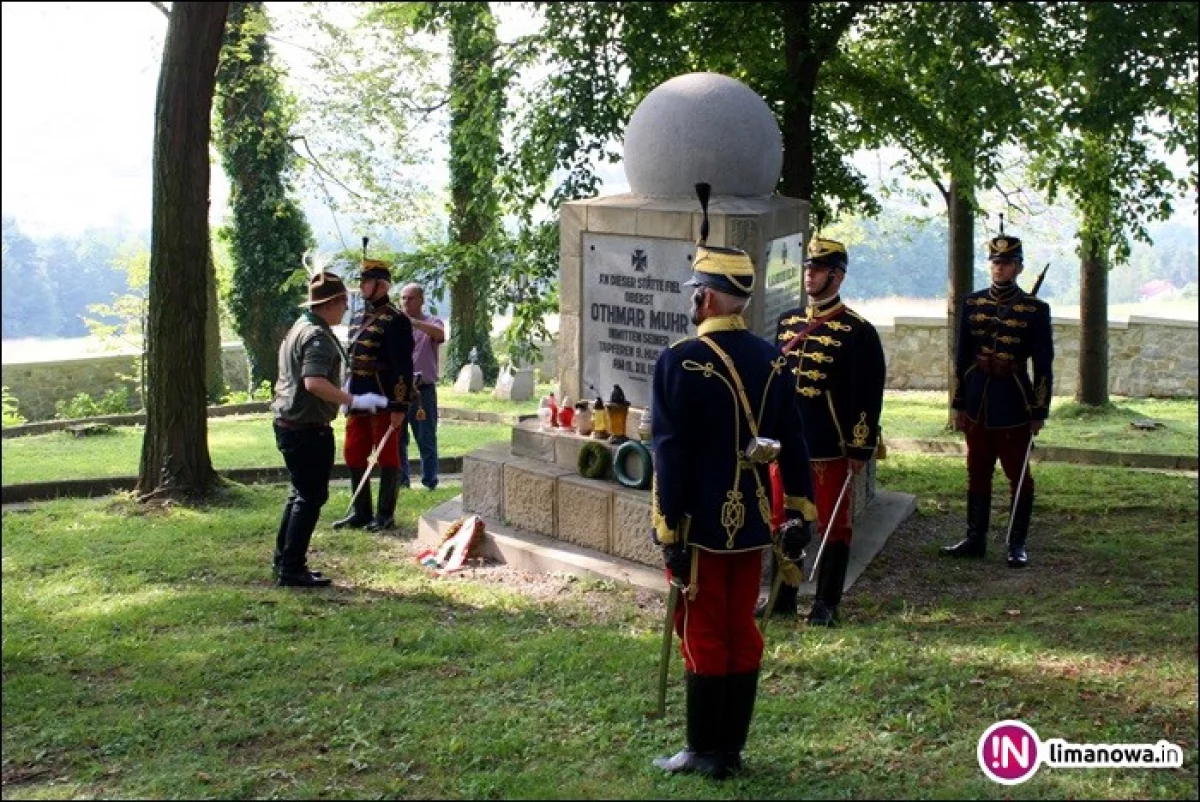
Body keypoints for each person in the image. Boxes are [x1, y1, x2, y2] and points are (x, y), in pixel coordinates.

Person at [650, 183, 817, 780]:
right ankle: (732, 750)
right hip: (750, 520)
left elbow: (668, 452)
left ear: (708, 297)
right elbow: (792, 443)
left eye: (698, 292)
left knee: (701, 629)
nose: (693, 301)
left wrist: (669, 526)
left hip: (696, 522)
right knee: (741, 627)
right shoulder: (773, 359)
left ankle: (703, 751)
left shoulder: (676, 361)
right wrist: (797, 512)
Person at [761, 237, 886, 627]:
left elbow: (867, 395)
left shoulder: (857, 331)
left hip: (828, 446)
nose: (808, 274)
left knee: (834, 524)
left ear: (837, 275)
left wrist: (859, 448)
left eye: (816, 269)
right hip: (787, 446)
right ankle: (782, 597)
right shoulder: (788, 323)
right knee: (782, 519)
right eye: (807, 267)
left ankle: (827, 604)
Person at [270, 272, 389, 587]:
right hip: (306, 428)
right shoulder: (317, 337)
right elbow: (313, 382)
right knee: (310, 496)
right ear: (332, 303)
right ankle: (292, 568)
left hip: (290, 424)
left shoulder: (301, 327)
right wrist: (355, 400)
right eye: (344, 302)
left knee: (300, 494)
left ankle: (285, 560)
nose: (347, 308)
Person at [942, 233, 1053, 568]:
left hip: (1013, 400)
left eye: (1006, 263)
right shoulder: (973, 304)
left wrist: (1039, 409)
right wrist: (959, 403)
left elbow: (1043, 364)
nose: (999, 268)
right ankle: (975, 538)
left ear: (1018, 267)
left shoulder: (1034, 310)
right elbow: (961, 359)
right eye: (995, 262)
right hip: (977, 399)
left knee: (1018, 475)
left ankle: (1016, 542)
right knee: (977, 470)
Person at [333, 257, 415, 532]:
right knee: (354, 453)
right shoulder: (357, 317)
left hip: (383, 398)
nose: (361, 286)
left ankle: (385, 515)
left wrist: (399, 405)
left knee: (387, 457)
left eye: (366, 282)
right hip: (358, 397)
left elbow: (403, 366)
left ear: (381, 286)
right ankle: (361, 513)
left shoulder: (397, 320)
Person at [398, 283, 445, 490]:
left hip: (422, 391)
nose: (406, 302)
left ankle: (430, 481)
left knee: (426, 437)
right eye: (403, 298)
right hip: (399, 391)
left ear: (421, 300)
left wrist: (414, 322)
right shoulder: (396, 325)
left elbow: (440, 334)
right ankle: (401, 482)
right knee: (398, 440)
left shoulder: (432, 322)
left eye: (411, 298)